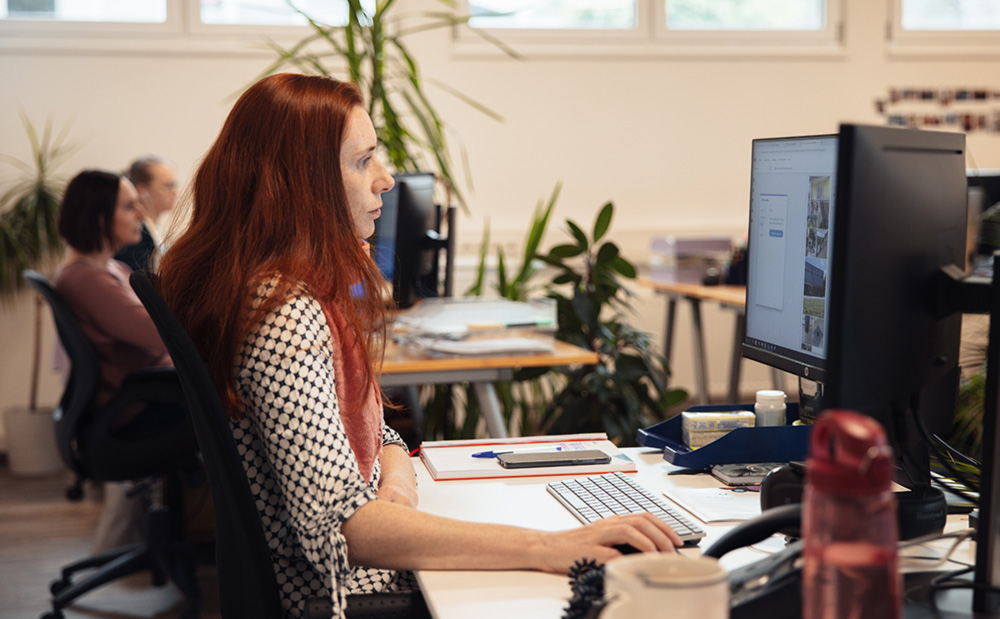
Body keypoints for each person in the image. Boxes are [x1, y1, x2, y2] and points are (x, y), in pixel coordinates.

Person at [157, 73, 681, 619]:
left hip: (370, 578)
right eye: (363, 162)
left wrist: (399, 491)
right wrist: (547, 548)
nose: (385, 179)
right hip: (350, 598)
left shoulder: (303, 290)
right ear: (302, 184)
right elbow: (346, 526)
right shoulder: (284, 313)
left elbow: (378, 436)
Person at [55, 169, 175, 552]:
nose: (141, 213)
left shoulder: (113, 269)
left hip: (141, 397)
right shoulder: (87, 280)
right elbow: (162, 335)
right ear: (98, 217)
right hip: (133, 411)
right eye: (128, 206)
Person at [114, 155, 178, 271]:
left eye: (174, 185)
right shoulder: (136, 232)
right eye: (168, 186)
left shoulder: (155, 229)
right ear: (142, 190)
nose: (175, 192)